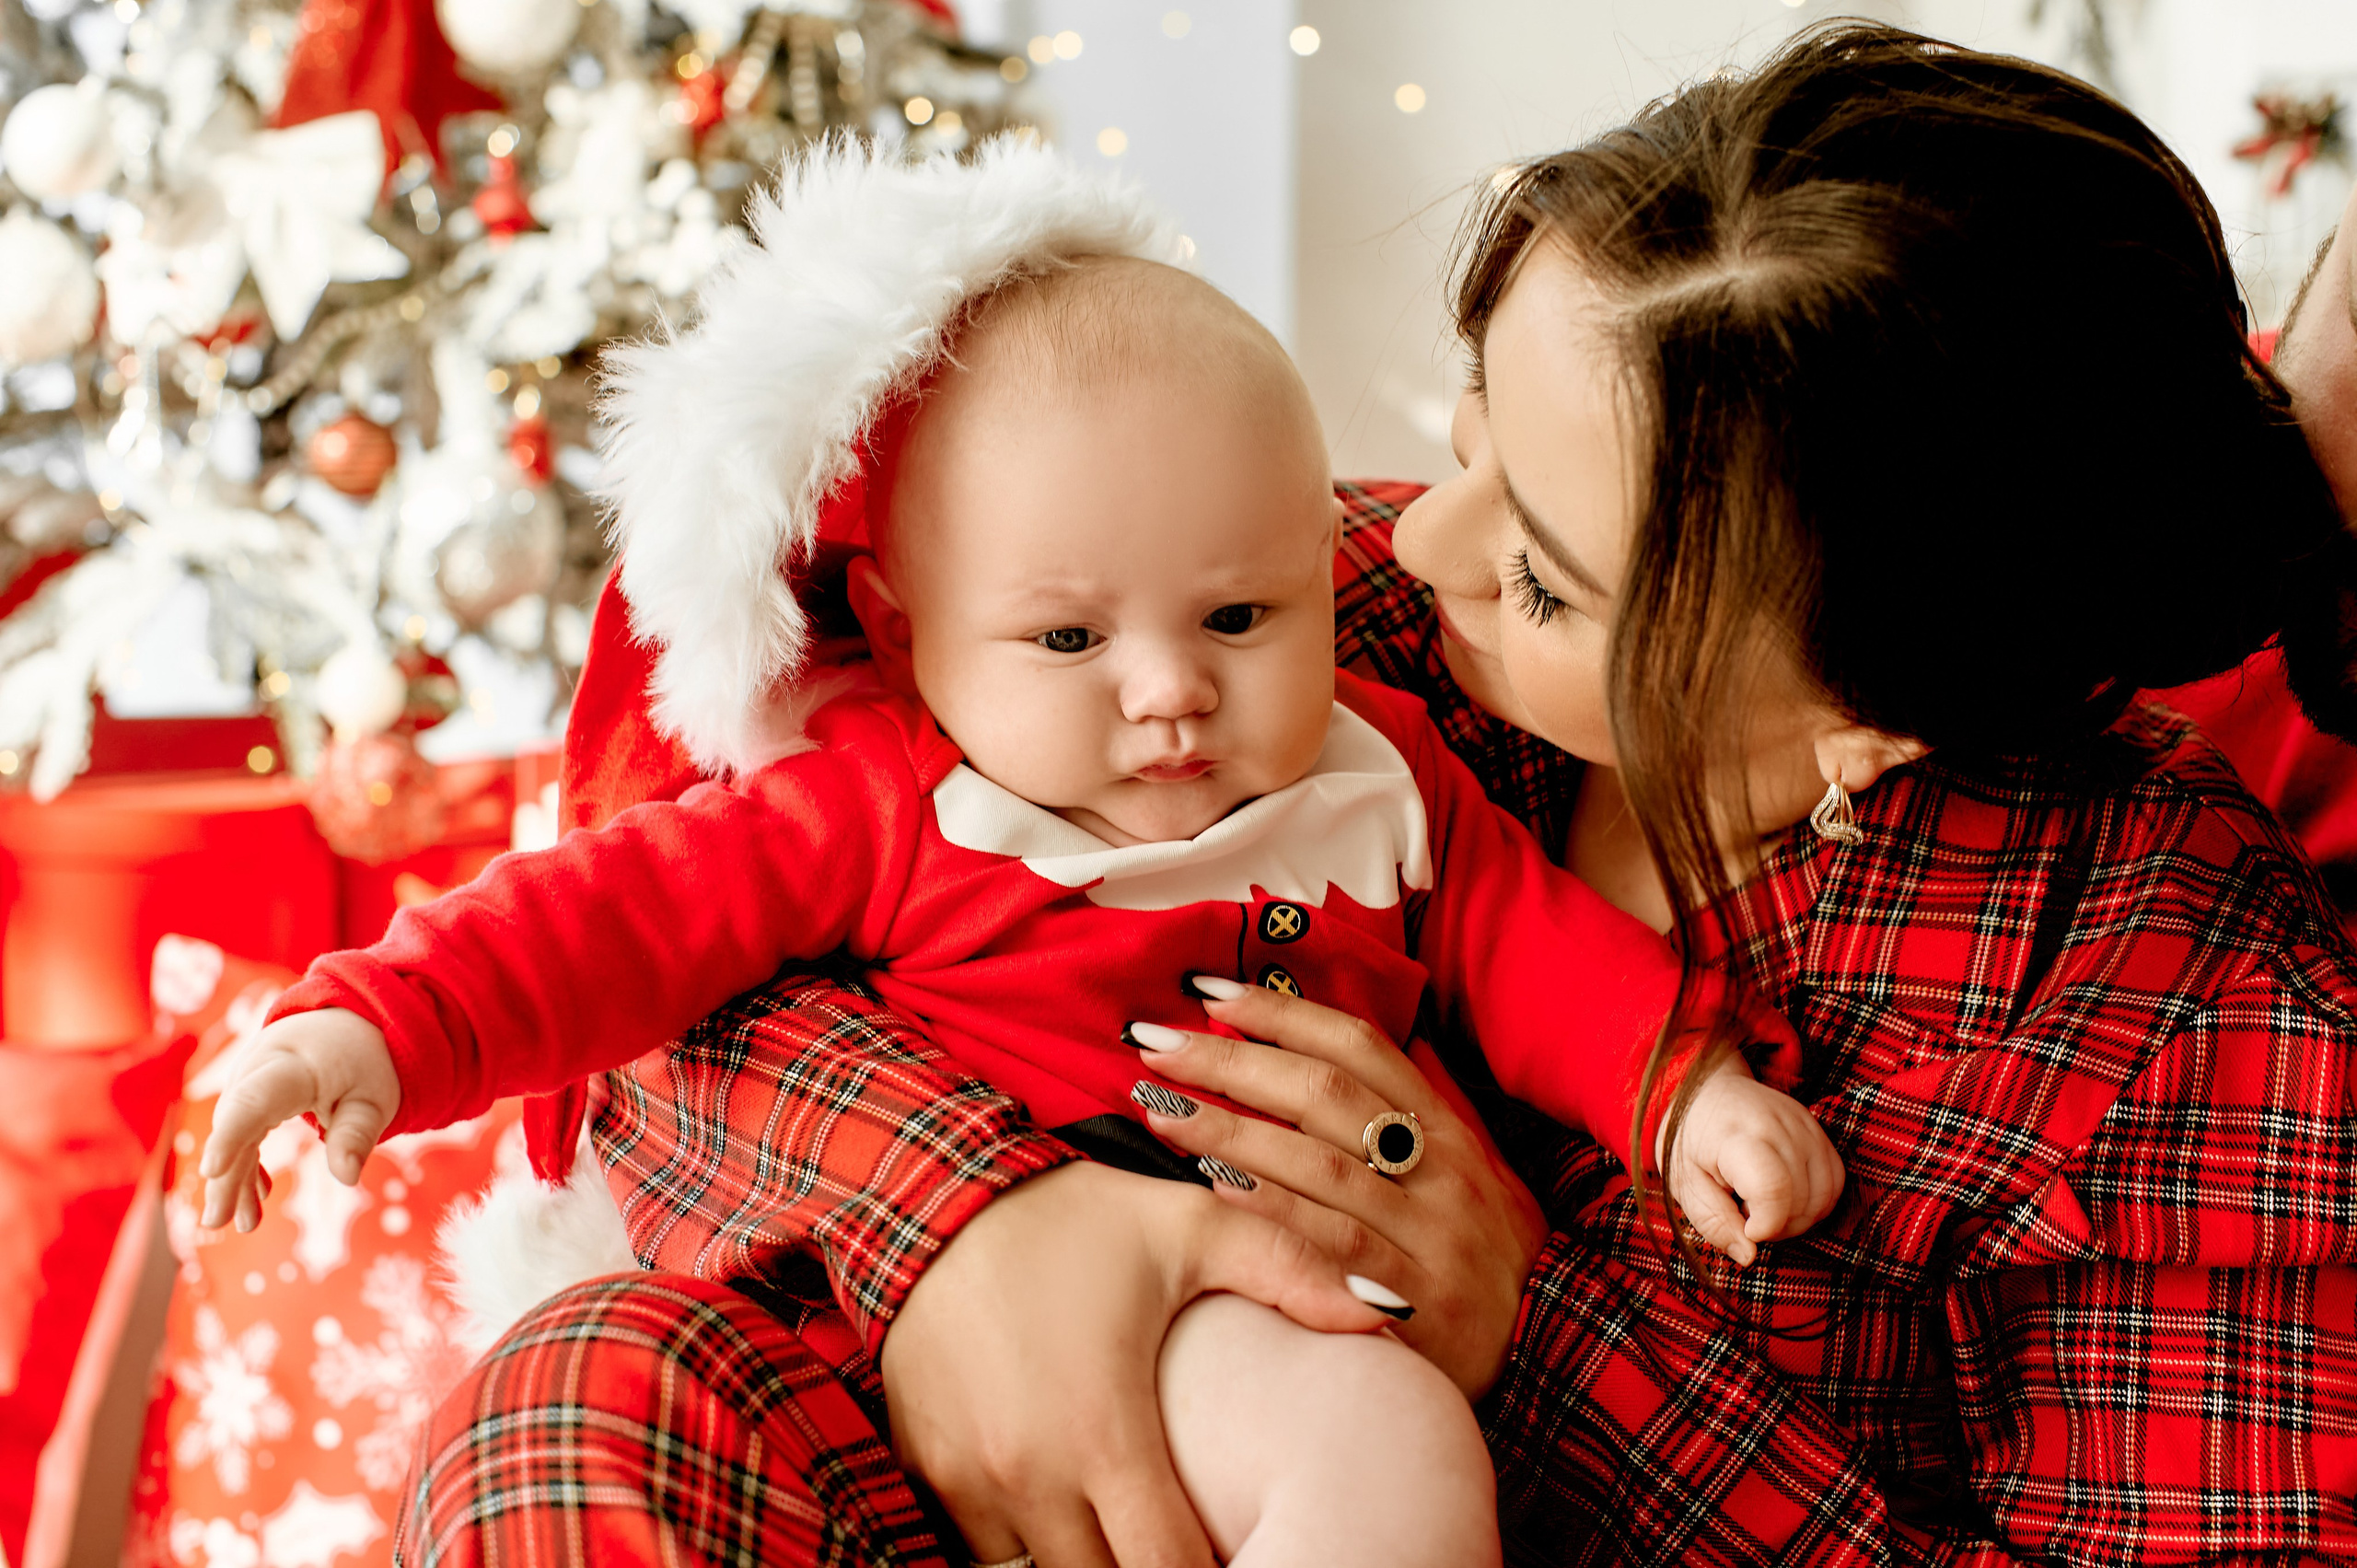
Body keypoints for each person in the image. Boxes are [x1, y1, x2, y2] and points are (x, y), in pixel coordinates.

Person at [397, 24, 2357, 1568]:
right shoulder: (1274, 614)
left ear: (1875, 720)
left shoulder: (2198, 1029)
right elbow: (698, 886)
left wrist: (1537, 1337)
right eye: (1464, 427)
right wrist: (970, 1232)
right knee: (582, 1391)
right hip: (949, 1471)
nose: (1412, 544)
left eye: (1546, 576)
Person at [198, 143, 1839, 1567]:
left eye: (1242, 615)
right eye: (1066, 638)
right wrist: (372, 1025)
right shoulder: (887, 798)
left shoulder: (1379, 768)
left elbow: (1535, 953)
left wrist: (1683, 1090)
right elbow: (612, 919)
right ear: (913, 638)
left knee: (1393, 1460)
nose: (1169, 689)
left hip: (1243, 1332)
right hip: (887, 1358)